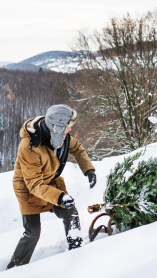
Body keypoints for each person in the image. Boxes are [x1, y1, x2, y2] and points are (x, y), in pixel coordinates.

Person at [7, 104, 97, 269]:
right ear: (56, 127)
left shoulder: (62, 137)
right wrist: (60, 196)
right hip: (28, 189)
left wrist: (89, 169)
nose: (69, 130)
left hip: (50, 183)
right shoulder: (29, 146)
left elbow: (77, 149)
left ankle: (76, 248)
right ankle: (14, 269)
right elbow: (34, 184)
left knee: (71, 213)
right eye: (67, 127)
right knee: (32, 233)